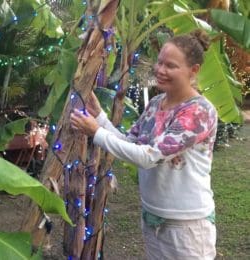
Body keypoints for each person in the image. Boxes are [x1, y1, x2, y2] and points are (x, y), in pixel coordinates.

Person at [70, 29, 218, 260]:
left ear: (194, 70)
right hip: (152, 217)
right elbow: (130, 143)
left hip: (186, 226)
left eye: (170, 65)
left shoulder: (198, 112)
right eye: (159, 62)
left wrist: (96, 132)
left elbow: (147, 157)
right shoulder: (156, 104)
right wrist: (99, 117)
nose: (160, 70)